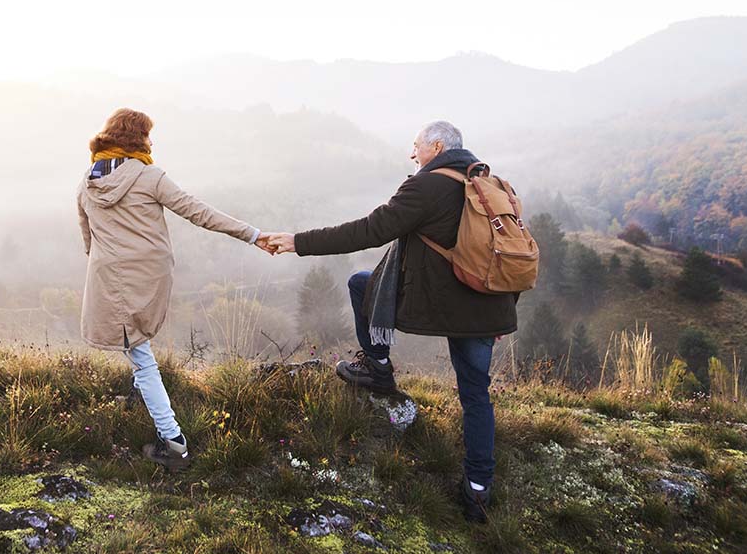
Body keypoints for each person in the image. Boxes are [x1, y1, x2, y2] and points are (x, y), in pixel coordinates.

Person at [261, 121, 518, 523]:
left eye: (416, 147)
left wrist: (299, 242)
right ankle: (479, 488)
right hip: (488, 304)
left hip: (445, 301)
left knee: (362, 285)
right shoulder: (492, 185)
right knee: (475, 394)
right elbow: (511, 253)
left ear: (435, 147)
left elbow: (368, 230)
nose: (412, 154)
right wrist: (503, 307)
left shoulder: (426, 186)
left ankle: (378, 368)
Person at [77, 108, 270, 471]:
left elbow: (89, 240)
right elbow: (198, 212)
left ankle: (160, 419)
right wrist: (253, 234)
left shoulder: (86, 182)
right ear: (135, 139)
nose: (152, 142)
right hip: (147, 276)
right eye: (148, 136)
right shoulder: (149, 177)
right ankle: (175, 442)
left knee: (136, 347)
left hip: (109, 278)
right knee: (140, 351)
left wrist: (110, 265)